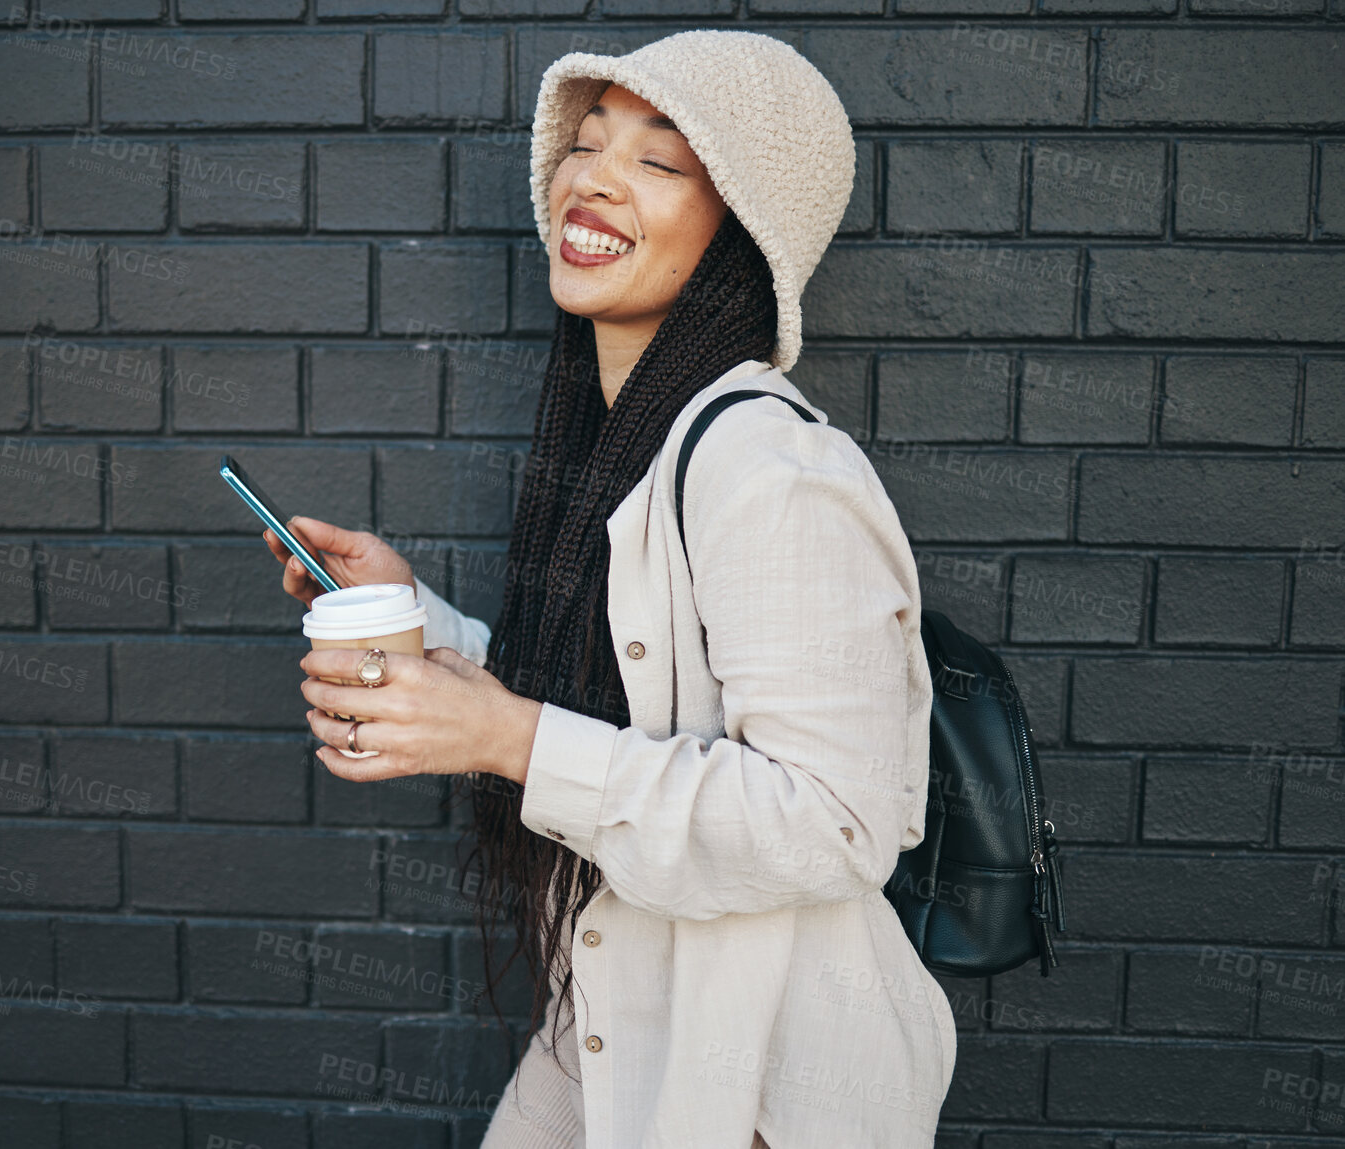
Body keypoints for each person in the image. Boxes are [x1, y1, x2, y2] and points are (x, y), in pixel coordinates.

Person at [265, 30, 955, 1149]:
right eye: (585, 146)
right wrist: (420, 627)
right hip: (610, 1044)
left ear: (740, 232)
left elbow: (833, 822)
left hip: (760, 1098)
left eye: (657, 161)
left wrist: (509, 742)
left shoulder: (767, 468)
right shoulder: (633, 439)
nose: (590, 177)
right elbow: (624, 702)